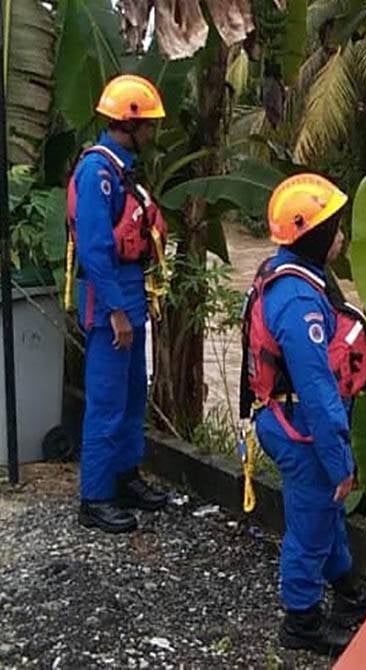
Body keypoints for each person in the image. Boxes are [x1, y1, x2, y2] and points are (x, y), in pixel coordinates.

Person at [239, 173, 366, 656]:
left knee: (325, 514)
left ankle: (348, 593)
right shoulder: (299, 301)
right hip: (300, 428)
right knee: (311, 526)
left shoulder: (287, 274)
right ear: (315, 237)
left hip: (291, 418)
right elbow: (317, 391)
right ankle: (301, 622)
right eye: (335, 228)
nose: (341, 236)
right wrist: (341, 462)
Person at [67, 74, 170, 534]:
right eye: (149, 124)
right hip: (109, 298)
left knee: (131, 396)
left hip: (130, 291)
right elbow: (94, 249)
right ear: (130, 124)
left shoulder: (122, 169)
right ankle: (95, 497)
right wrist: (114, 310)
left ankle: (125, 476)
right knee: (107, 401)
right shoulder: (98, 173)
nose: (153, 131)